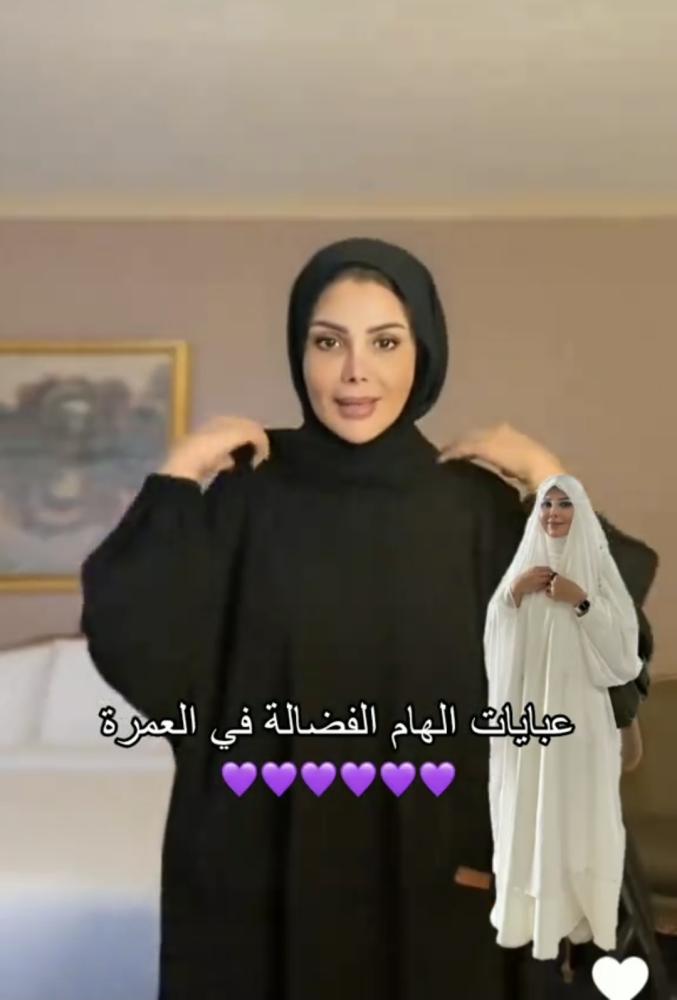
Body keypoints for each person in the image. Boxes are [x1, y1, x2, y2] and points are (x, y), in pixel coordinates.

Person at [79, 238, 658, 1000]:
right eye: (328, 343)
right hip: (266, 863)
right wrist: (179, 471)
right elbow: (135, 630)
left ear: (424, 353)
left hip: (449, 870)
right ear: (300, 354)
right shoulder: (247, 500)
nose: (355, 371)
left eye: (384, 342)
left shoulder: (476, 508)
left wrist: (547, 475)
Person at [484, 476, 645, 964]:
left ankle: (577, 926)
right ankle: (533, 923)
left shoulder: (598, 574)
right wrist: (513, 596)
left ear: (582, 513)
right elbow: (495, 642)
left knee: (574, 817)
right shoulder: (523, 569)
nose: (553, 512)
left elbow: (623, 658)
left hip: (580, 726)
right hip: (529, 726)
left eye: (564, 504)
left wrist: (580, 601)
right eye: (546, 504)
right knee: (530, 815)